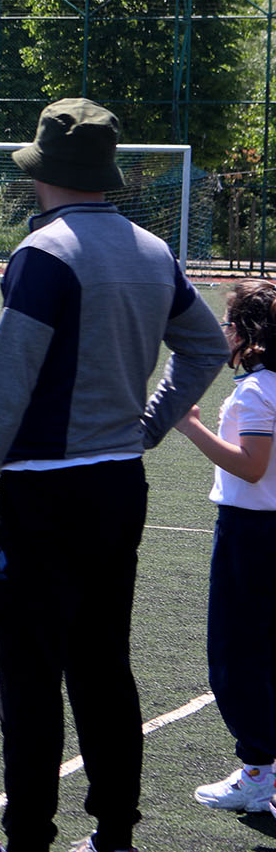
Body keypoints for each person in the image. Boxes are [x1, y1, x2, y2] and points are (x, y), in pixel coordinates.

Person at [0, 99, 228, 852]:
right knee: (102, 667)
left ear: (44, 170)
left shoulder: (45, 252)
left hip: (45, 492)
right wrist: (151, 425)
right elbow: (208, 345)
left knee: (29, 679)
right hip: (117, 487)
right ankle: (114, 851)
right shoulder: (152, 248)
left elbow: (4, 385)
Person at [174, 279, 276, 817]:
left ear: (251, 334)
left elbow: (251, 466)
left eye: (231, 323)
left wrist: (190, 427)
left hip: (252, 533)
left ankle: (259, 773)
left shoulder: (257, 390)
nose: (225, 333)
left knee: (236, 657)